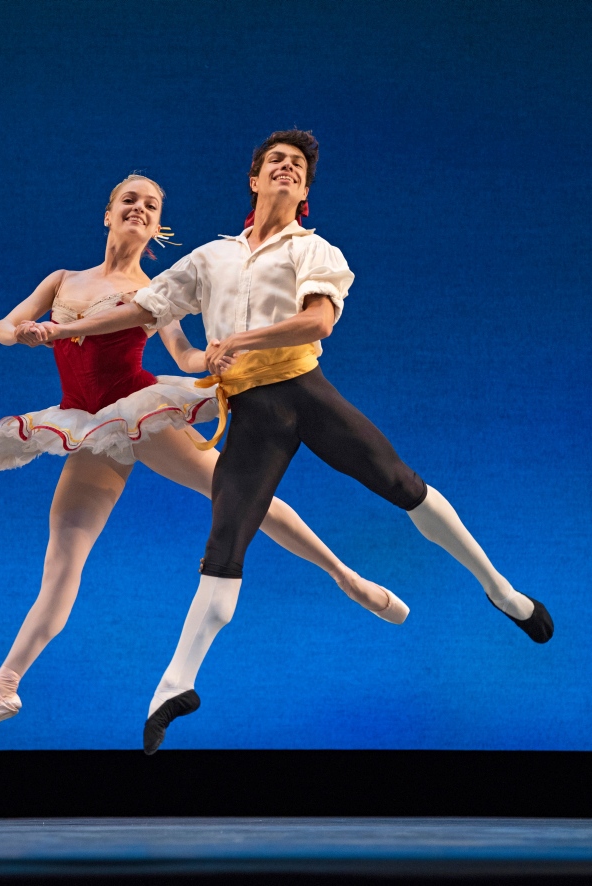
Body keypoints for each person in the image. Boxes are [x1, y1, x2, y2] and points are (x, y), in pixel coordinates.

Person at [37, 133, 554, 754]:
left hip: (305, 393)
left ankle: (500, 590)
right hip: (253, 416)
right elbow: (143, 307)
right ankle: (175, 685)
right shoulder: (211, 258)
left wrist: (241, 342)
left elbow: (318, 321)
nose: (286, 169)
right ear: (254, 181)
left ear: (304, 191)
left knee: (400, 484)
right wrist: (58, 330)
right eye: (275, 162)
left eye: (298, 167)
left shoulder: (314, 250)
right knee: (224, 545)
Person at [0, 174, 407, 758]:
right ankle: (3, 686)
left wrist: (223, 353)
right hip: (83, 426)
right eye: (130, 201)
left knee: (246, 499)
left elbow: (186, 355)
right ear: (108, 214)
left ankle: (346, 576)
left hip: (141, 414)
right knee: (62, 563)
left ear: (156, 225)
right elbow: (1, 326)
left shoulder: (155, 288)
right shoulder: (63, 280)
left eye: (151, 206)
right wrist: (21, 332)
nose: (140, 210)